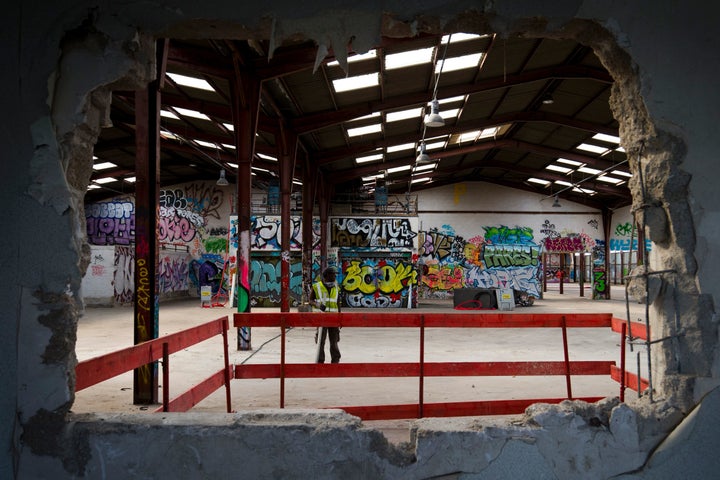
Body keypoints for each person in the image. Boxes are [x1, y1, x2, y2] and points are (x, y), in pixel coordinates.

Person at [310, 267, 341, 363]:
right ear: (326, 276)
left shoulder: (336, 287)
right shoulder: (316, 286)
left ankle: (335, 360)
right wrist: (318, 305)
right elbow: (310, 300)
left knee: (334, 341)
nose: (335, 276)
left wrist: (340, 319)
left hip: (334, 318)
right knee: (321, 341)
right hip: (321, 318)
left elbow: (338, 303)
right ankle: (320, 361)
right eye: (333, 274)